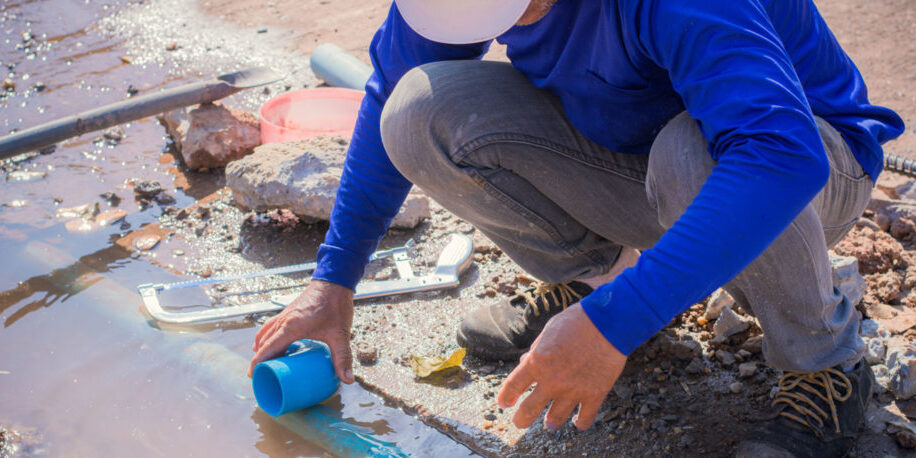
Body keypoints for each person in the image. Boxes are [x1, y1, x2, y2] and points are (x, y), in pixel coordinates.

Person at [249, 0, 905, 455]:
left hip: (809, 161)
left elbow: (778, 154)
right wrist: (333, 280)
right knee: (416, 113)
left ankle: (823, 364)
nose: (518, 26)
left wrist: (619, 323)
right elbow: (388, 88)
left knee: (693, 153)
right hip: (641, 152)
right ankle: (602, 279)